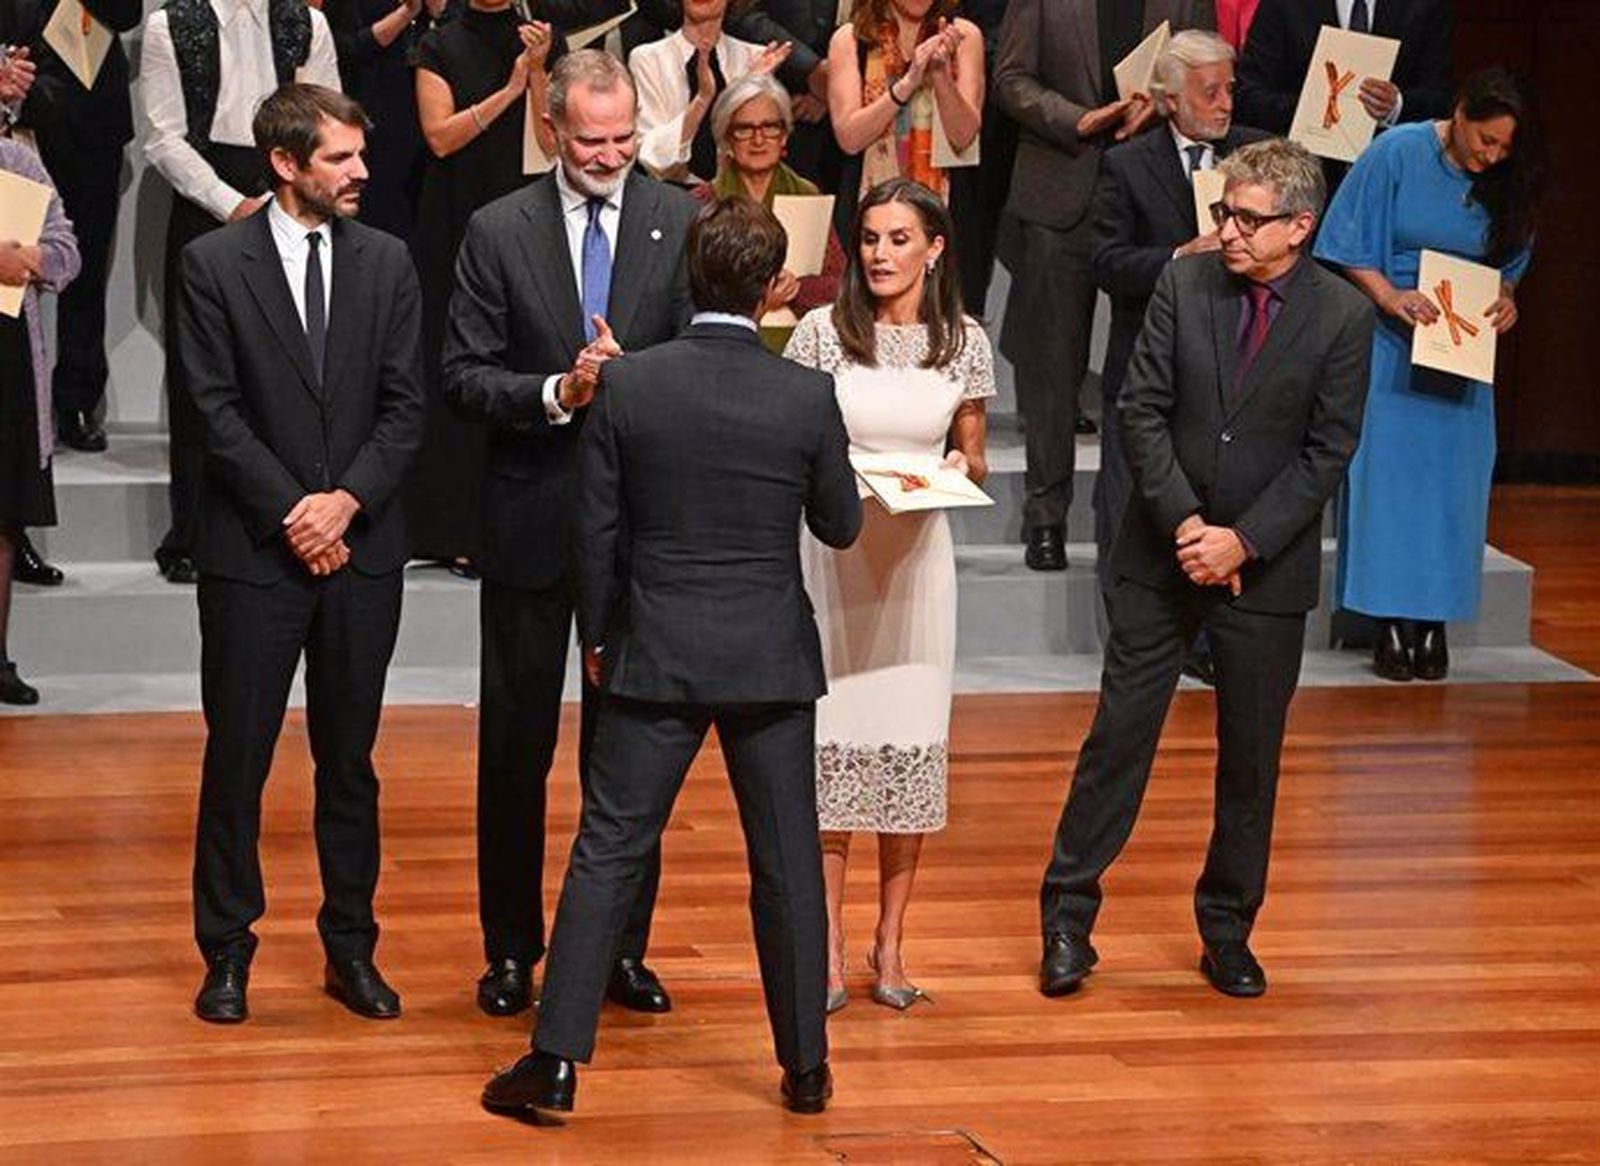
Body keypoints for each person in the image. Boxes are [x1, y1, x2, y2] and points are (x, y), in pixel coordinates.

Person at [480, 194, 862, 1121]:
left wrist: (603, 640)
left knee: (607, 849)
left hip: (656, 651)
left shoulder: (632, 385)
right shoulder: (806, 394)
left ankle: (557, 1063)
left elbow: (595, 533)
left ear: (689, 277)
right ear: (775, 288)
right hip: (770, 655)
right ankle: (805, 1065)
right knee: (785, 862)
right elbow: (840, 525)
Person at [1038, 139, 1372, 1001]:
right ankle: (1068, 919)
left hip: (1265, 573)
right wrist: (1188, 522)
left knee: (1251, 760)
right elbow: (1140, 409)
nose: (1225, 229)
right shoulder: (1183, 286)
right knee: (1118, 741)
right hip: (1161, 553)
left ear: (1300, 227)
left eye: (1246, 218)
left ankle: (1228, 931)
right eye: (1224, 211)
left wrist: (1242, 542)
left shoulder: (1341, 316)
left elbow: (1327, 451)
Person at [442, 48, 696, 1020]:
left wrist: (635, 378)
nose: (610, 154)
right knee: (514, 748)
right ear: (552, 130)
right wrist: (559, 389)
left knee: (628, 753)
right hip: (529, 522)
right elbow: (461, 376)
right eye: (592, 140)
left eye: (625, 138)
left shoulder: (677, 220)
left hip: (638, 532)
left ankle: (619, 949)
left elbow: (698, 360)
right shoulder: (495, 229)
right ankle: (510, 950)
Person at [182, 84, 424, 1024]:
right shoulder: (212, 264)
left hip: (360, 552)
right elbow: (212, 410)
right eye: (341, 159)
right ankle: (228, 949)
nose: (362, 173)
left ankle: (351, 948)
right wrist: (297, 512)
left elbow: (407, 408)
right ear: (286, 164)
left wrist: (345, 503)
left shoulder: (391, 263)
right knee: (237, 758)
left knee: (350, 761)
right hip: (255, 554)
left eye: (361, 157)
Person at [785, 177, 994, 1013]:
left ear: (934, 247)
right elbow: (796, 441)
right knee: (833, 751)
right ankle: (827, 948)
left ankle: (891, 943)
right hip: (832, 557)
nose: (879, 254)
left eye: (899, 238)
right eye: (870, 238)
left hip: (916, 563)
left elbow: (973, 450)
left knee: (907, 746)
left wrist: (951, 470)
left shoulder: (964, 340)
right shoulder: (818, 333)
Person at [1314, 67, 1538, 682]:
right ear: (1459, 114)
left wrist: (1508, 297)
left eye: (1502, 148)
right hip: (1394, 340)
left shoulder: (1504, 178)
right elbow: (1344, 240)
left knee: (1451, 489)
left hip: (1461, 349)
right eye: (1482, 141)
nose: (1489, 156)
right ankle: (1388, 623)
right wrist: (1389, 297)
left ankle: (1433, 623)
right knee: (1389, 483)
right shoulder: (1398, 152)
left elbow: (1512, 260)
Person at [993, 0, 1214, 573]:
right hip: (1059, 189)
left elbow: (1203, 71)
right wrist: (1078, 119)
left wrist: (1163, 109)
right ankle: (1047, 516)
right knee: (1052, 365)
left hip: (1153, 186)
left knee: (1155, 362)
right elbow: (1011, 79)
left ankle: (1144, 516)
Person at [141, 0, 342, 586]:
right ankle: (195, 531)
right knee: (201, 375)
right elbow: (162, 137)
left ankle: (297, 519)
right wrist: (234, 206)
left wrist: (291, 193)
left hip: (294, 195)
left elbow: (326, 120)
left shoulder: (308, 23)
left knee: (293, 362)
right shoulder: (170, 25)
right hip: (209, 205)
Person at [1091, 29, 1267, 681]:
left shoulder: (1255, 156)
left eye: (1230, 89)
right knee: (1131, 503)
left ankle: (1207, 642)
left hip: (1233, 369)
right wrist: (1177, 258)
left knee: (1216, 503)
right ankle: (1136, 640)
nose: (1225, 103)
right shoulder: (1128, 164)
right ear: (1169, 98)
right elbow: (1107, 263)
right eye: (1210, 91)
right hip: (1148, 365)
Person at [410, 1, 556, 573]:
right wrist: (510, 87)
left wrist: (539, 71)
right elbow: (440, 137)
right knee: (457, 361)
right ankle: (452, 527)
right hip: (453, 213)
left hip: (523, 211)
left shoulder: (541, 38)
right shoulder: (440, 44)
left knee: (517, 354)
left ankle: (513, 524)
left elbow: (551, 144)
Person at [0, 0, 139, 456]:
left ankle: (76, 400)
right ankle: (16, 405)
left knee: (86, 265)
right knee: (10, 269)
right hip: (15, 111)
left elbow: (126, 13)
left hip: (92, 120)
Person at [0, 136, 79, 705]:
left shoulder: (17, 160)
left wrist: (32, 261)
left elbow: (66, 249)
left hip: (7, 356)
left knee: (3, 515)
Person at [690, 73, 844, 350]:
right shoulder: (703, 202)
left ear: (784, 134)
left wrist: (797, 288)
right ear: (727, 138)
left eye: (770, 127)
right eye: (744, 129)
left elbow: (840, 284)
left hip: (800, 345)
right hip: (724, 348)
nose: (758, 139)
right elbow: (687, 288)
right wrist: (759, 297)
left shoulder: (807, 194)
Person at [825, 0, 983, 242]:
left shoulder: (964, 36)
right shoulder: (850, 40)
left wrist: (940, 74)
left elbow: (963, 136)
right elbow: (849, 138)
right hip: (868, 209)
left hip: (945, 212)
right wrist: (907, 84)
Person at [1235, 0, 1454, 168]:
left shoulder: (1426, 5)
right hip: (1297, 169)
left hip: (1390, 169)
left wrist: (1396, 106)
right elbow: (1247, 95)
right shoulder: (1284, 5)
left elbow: (1441, 99)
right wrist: (1311, 111)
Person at [323, 0, 451, 251]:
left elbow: (458, 40)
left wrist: (439, 12)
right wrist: (406, 13)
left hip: (433, 118)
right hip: (372, 120)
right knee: (378, 215)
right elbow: (346, 48)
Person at [630, 0, 789, 186]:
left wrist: (747, 86)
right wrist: (702, 99)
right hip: (671, 196)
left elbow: (754, 151)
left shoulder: (755, 59)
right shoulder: (647, 59)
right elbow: (653, 159)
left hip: (737, 199)